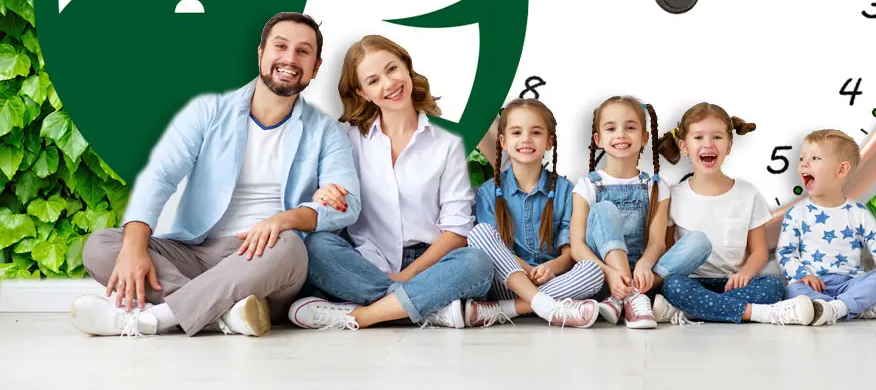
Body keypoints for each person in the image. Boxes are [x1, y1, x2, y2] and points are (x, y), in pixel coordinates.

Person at [73, 12, 359, 337]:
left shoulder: (326, 132)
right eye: (281, 46)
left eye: (303, 51)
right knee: (102, 245)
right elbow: (160, 176)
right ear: (261, 53)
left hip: (265, 260)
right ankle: (228, 314)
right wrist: (134, 249)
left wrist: (284, 219)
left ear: (315, 66)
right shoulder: (208, 112)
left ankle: (152, 319)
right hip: (196, 251)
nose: (290, 58)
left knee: (291, 246)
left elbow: (348, 204)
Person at [289, 35, 492, 330]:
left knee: (477, 263)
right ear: (362, 92)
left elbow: (457, 232)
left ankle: (363, 315)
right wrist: (324, 191)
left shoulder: (446, 145)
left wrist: (408, 276)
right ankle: (428, 309)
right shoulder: (348, 141)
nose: (388, 84)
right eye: (373, 80)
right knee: (317, 246)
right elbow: (329, 202)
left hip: (432, 263)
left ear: (407, 68)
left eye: (392, 69)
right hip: (367, 260)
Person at [657, 102, 814, 325]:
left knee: (774, 286)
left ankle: (693, 310)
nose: (708, 144)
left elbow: (759, 252)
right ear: (683, 146)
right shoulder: (674, 195)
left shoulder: (748, 194)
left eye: (717, 137)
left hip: (734, 282)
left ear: (729, 145)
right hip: (691, 282)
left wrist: (745, 274)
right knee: (672, 285)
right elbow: (669, 251)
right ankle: (758, 314)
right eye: (698, 137)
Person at [570, 96, 713, 329]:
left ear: (645, 137)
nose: (621, 134)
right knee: (604, 209)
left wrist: (646, 264)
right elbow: (577, 247)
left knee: (700, 241)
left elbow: (657, 242)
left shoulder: (656, 186)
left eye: (630, 128)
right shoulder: (586, 185)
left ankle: (627, 296)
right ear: (598, 139)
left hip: (645, 275)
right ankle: (630, 296)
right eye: (611, 128)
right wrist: (609, 273)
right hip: (604, 276)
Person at [466, 98, 603, 328]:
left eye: (536, 132)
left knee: (593, 271)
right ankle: (548, 306)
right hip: (507, 282)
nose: (526, 139)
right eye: (517, 132)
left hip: (554, 280)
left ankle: (508, 310)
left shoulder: (566, 190)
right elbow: (496, 252)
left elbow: (570, 251)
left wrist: (551, 268)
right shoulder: (489, 192)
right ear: (503, 141)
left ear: (549, 142)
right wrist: (527, 272)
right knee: (479, 233)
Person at [777, 129, 876, 325]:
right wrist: (803, 274)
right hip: (814, 284)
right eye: (802, 158)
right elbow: (786, 254)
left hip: (851, 283)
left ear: (841, 170)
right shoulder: (797, 213)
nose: (804, 163)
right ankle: (856, 309)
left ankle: (832, 309)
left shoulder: (857, 213)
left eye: (815, 158)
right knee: (792, 290)